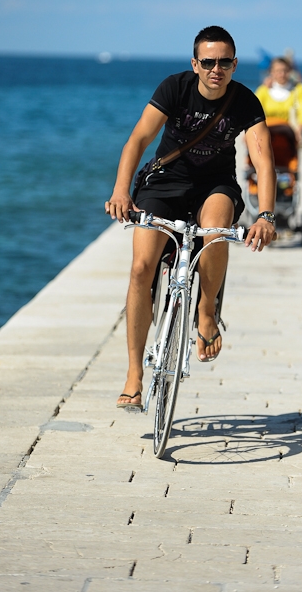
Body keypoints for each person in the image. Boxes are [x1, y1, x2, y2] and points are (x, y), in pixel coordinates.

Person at [105, 26, 277, 410]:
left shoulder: (245, 101)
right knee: (141, 268)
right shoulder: (175, 88)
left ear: (234, 64)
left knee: (215, 233)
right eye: (209, 62)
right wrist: (120, 191)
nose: (217, 69)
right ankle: (134, 373)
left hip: (215, 185)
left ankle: (206, 310)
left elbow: (263, 161)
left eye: (225, 62)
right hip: (165, 182)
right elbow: (138, 140)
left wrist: (266, 215)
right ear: (195, 64)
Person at [254, 56, 302, 143]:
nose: (282, 74)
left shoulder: (298, 90)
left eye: (285, 71)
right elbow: (254, 113)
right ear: (271, 72)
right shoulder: (263, 90)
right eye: (278, 71)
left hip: (289, 137)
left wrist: (298, 132)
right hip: (267, 136)